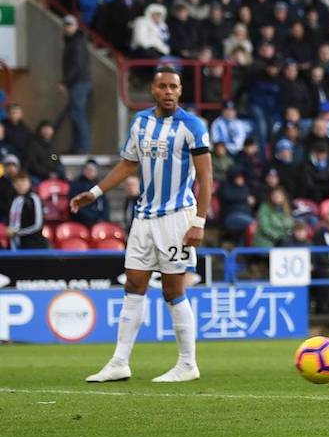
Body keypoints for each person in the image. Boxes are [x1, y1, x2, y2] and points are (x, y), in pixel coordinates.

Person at [73, 67, 212, 383]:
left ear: (180, 91)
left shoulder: (192, 125)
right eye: (162, 86)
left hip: (177, 217)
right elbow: (128, 164)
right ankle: (120, 362)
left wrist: (199, 222)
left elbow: (205, 176)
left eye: (173, 87)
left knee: (172, 289)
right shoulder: (141, 123)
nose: (167, 91)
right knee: (133, 283)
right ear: (152, 90)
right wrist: (94, 193)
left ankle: (188, 364)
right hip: (144, 217)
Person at [56, 15, 92, 154]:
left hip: (79, 82)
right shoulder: (73, 41)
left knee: (78, 114)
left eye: (70, 25)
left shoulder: (77, 42)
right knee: (75, 114)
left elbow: (77, 66)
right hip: (78, 82)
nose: (67, 27)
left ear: (76, 26)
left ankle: (83, 147)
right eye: (65, 25)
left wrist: (64, 82)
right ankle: (77, 146)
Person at [7, 172, 49, 249]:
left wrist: (17, 232)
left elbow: (37, 225)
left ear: (29, 182)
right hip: (16, 245)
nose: (20, 185)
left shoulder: (34, 198)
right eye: (16, 182)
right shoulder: (14, 200)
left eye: (23, 181)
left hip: (34, 245)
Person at [69, 159, 110, 228]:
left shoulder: (99, 185)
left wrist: (102, 219)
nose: (91, 172)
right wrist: (93, 218)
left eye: (93, 170)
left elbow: (105, 204)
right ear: (84, 170)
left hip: (98, 221)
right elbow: (77, 205)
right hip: (81, 222)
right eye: (88, 169)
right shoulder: (76, 185)